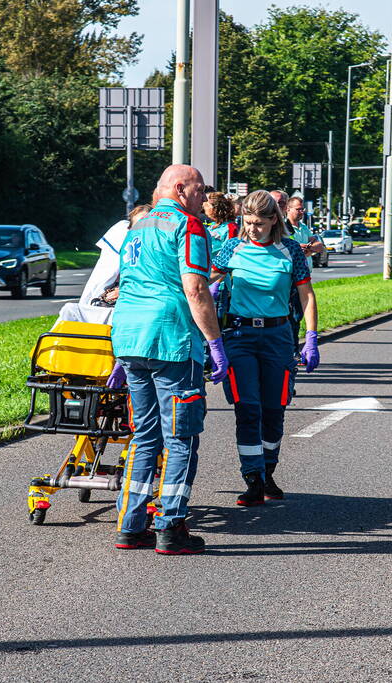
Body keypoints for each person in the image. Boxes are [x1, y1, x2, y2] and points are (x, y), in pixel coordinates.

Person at [109, 165, 229, 555]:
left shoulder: (137, 228)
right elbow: (195, 288)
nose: (204, 197)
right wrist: (215, 342)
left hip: (129, 338)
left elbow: (126, 285)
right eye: (199, 190)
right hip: (170, 340)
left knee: (144, 436)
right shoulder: (188, 227)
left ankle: (130, 524)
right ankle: (171, 527)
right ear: (180, 188)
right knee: (181, 438)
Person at [211, 190, 320, 506]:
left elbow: (306, 296)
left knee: (274, 410)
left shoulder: (290, 252)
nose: (252, 229)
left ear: (275, 220)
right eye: (247, 222)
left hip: (278, 337)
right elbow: (201, 282)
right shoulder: (233, 247)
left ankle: (268, 470)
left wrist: (311, 338)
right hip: (241, 336)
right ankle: (253, 478)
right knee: (248, 409)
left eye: (259, 223)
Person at [203, 191, 238, 256]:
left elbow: (229, 252)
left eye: (206, 206)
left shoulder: (230, 227)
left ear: (214, 208)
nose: (205, 210)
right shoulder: (212, 225)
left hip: (218, 265)